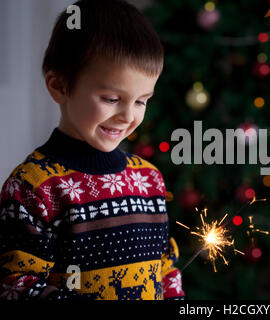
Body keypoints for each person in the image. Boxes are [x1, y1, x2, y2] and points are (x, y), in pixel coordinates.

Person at [0, 0, 185, 300]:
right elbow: (16, 286)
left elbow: (166, 267)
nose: (128, 116)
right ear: (59, 86)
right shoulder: (34, 188)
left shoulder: (149, 180)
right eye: (112, 98)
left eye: (141, 101)